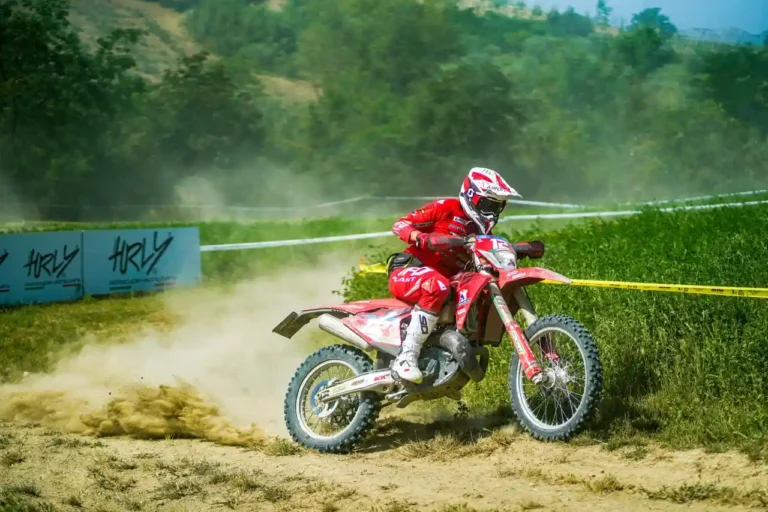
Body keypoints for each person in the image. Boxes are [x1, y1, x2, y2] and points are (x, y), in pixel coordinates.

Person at [386, 167, 521, 383]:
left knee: (479, 288)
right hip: (409, 272)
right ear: (472, 196)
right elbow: (400, 224)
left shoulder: (482, 233)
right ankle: (406, 357)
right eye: (489, 205)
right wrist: (421, 238)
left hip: (444, 285)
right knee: (437, 285)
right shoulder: (446, 208)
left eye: (498, 206)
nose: (492, 212)